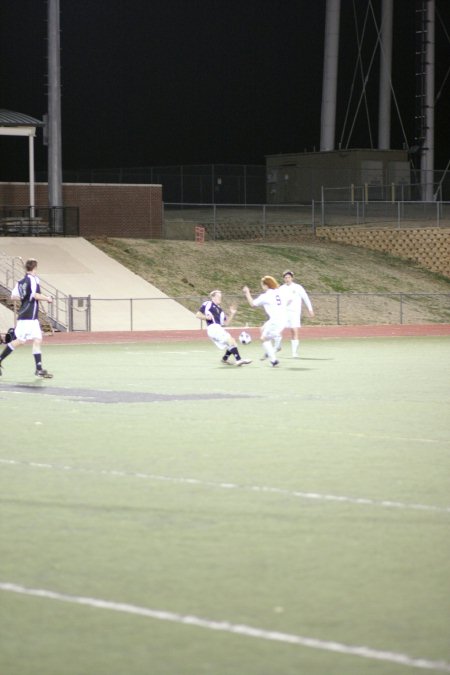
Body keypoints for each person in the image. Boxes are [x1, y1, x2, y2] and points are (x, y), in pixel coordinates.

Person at [0, 258, 53, 378]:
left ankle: (38, 369)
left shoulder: (20, 281)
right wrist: (47, 298)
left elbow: (13, 296)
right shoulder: (33, 280)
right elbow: (35, 295)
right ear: (35, 268)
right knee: (20, 341)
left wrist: (25, 298)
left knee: (37, 339)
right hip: (28, 316)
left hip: (30, 316)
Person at [196, 290, 251, 366]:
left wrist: (232, 313)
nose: (220, 298)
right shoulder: (207, 304)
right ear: (213, 297)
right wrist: (206, 317)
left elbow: (226, 323)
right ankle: (238, 360)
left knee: (232, 342)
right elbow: (198, 315)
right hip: (213, 328)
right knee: (230, 341)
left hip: (218, 328)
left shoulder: (220, 310)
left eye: (220, 297)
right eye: (218, 296)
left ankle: (224, 359)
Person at [242, 276, 286, 367]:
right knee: (262, 328)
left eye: (262, 285)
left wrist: (247, 293)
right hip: (282, 319)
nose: (262, 287)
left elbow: (252, 304)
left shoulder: (266, 296)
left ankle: (274, 360)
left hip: (275, 320)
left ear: (266, 285)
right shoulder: (278, 292)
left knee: (263, 339)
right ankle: (271, 348)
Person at [280, 269, 314, 358]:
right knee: (278, 330)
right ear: (283, 279)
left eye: (289, 277)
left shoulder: (298, 287)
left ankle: (294, 352)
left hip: (294, 313)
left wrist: (310, 309)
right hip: (284, 313)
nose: (287, 279)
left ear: (292, 278)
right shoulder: (281, 288)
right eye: (286, 277)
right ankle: (277, 346)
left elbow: (305, 298)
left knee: (294, 331)